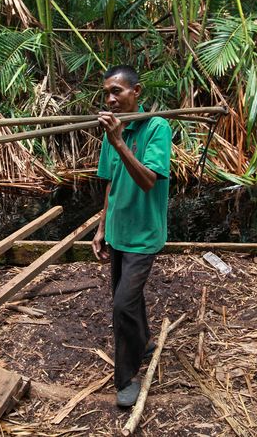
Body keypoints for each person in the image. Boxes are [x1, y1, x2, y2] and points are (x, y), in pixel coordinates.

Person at [91, 65, 172, 407]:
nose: (110, 98)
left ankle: (125, 377)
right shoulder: (113, 131)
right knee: (130, 298)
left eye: (117, 92)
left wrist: (119, 140)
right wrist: (100, 228)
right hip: (117, 231)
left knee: (122, 304)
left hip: (143, 234)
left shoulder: (156, 127)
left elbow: (148, 179)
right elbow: (111, 182)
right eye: (106, 93)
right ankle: (145, 341)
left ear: (136, 92)